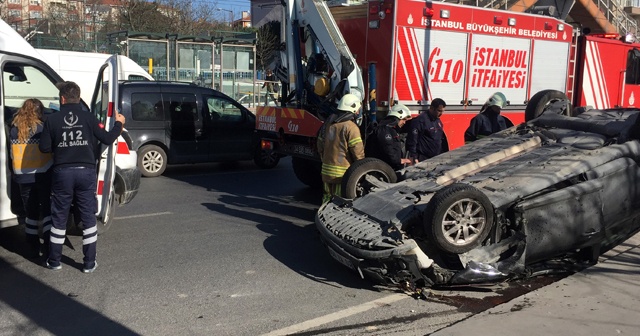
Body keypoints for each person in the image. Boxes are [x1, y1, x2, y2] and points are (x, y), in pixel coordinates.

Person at [39, 81, 126, 273]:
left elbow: (44, 147)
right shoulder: (88, 117)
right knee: (88, 217)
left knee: (59, 217)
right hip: (86, 173)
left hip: (62, 173)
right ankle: (88, 263)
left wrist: (60, 146)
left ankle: (54, 261)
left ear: (62, 98)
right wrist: (119, 123)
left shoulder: (52, 120)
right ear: (78, 98)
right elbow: (107, 138)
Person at [9, 99, 53, 259]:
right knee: (47, 212)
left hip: (23, 178)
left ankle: (33, 247)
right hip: (42, 175)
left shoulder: (15, 129)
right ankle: (48, 245)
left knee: (31, 214)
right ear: (39, 111)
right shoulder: (41, 128)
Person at [317, 93, 365, 203]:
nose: (358, 112)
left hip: (326, 170)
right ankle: (333, 219)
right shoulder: (351, 127)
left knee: (327, 197)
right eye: (357, 109)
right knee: (339, 200)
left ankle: (323, 215)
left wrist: (324, 159)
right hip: (341, 174)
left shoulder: (329, 124)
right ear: (352, 108)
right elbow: (358, 152)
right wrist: (361, 170)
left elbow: (320, 144)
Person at [365, 103, 413, 171]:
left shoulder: (391, 129)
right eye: (403, 119)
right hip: (381, 168)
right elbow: (388, 149)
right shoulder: (385, 130)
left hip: (386, 167)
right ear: (397, 117)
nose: (404, 122)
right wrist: (399, 160)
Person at [404, 98, 449, 162]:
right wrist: (414, 157)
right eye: (439, 111)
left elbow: (439, 139)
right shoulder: (420, 121)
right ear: (432, 108)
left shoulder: (437, 120)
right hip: (423, 158)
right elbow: (413, 140)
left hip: (436, 157)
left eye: (442, 111)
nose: (441, 114)